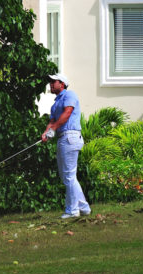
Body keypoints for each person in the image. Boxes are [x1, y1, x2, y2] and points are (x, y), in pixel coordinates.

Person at [42, 73, 91, 219]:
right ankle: (84, 207)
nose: (51, 84)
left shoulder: (69, 95)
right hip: (63, 138)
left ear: (62, 84)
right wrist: (46, 133)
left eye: (53, 81)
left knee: (69, 176)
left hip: (70, 136)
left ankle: (72, 210)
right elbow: (52, 121)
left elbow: (67, 113)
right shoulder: (55, 103)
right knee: (68, 177)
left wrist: (54, 129)